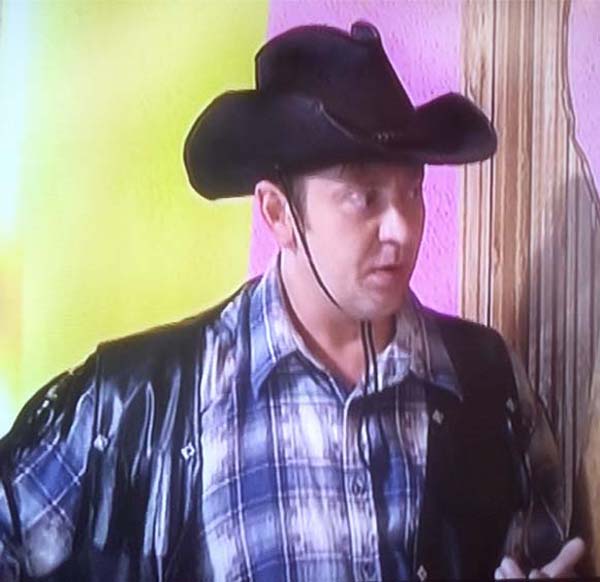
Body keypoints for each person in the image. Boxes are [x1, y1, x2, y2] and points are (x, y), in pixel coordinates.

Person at [0, 21, 584, 582]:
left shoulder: (487, 380)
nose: (402, 228)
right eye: (364, 197)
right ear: (278, 213)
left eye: (412, 191)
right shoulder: (132, 405)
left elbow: (543, 542)